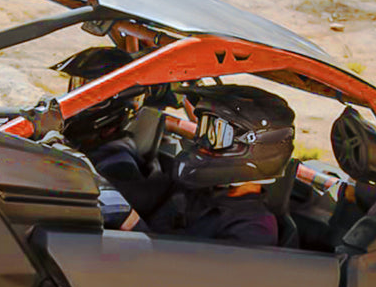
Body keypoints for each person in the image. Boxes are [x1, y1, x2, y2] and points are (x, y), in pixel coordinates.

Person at [90, 84, 296, 247]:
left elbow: (189, 283)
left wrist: (131, 224)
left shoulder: (254, 229)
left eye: (215, 133)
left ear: (256, 148)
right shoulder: (190, 187)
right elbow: (133, 193)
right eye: (204, 130)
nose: (202, 142)